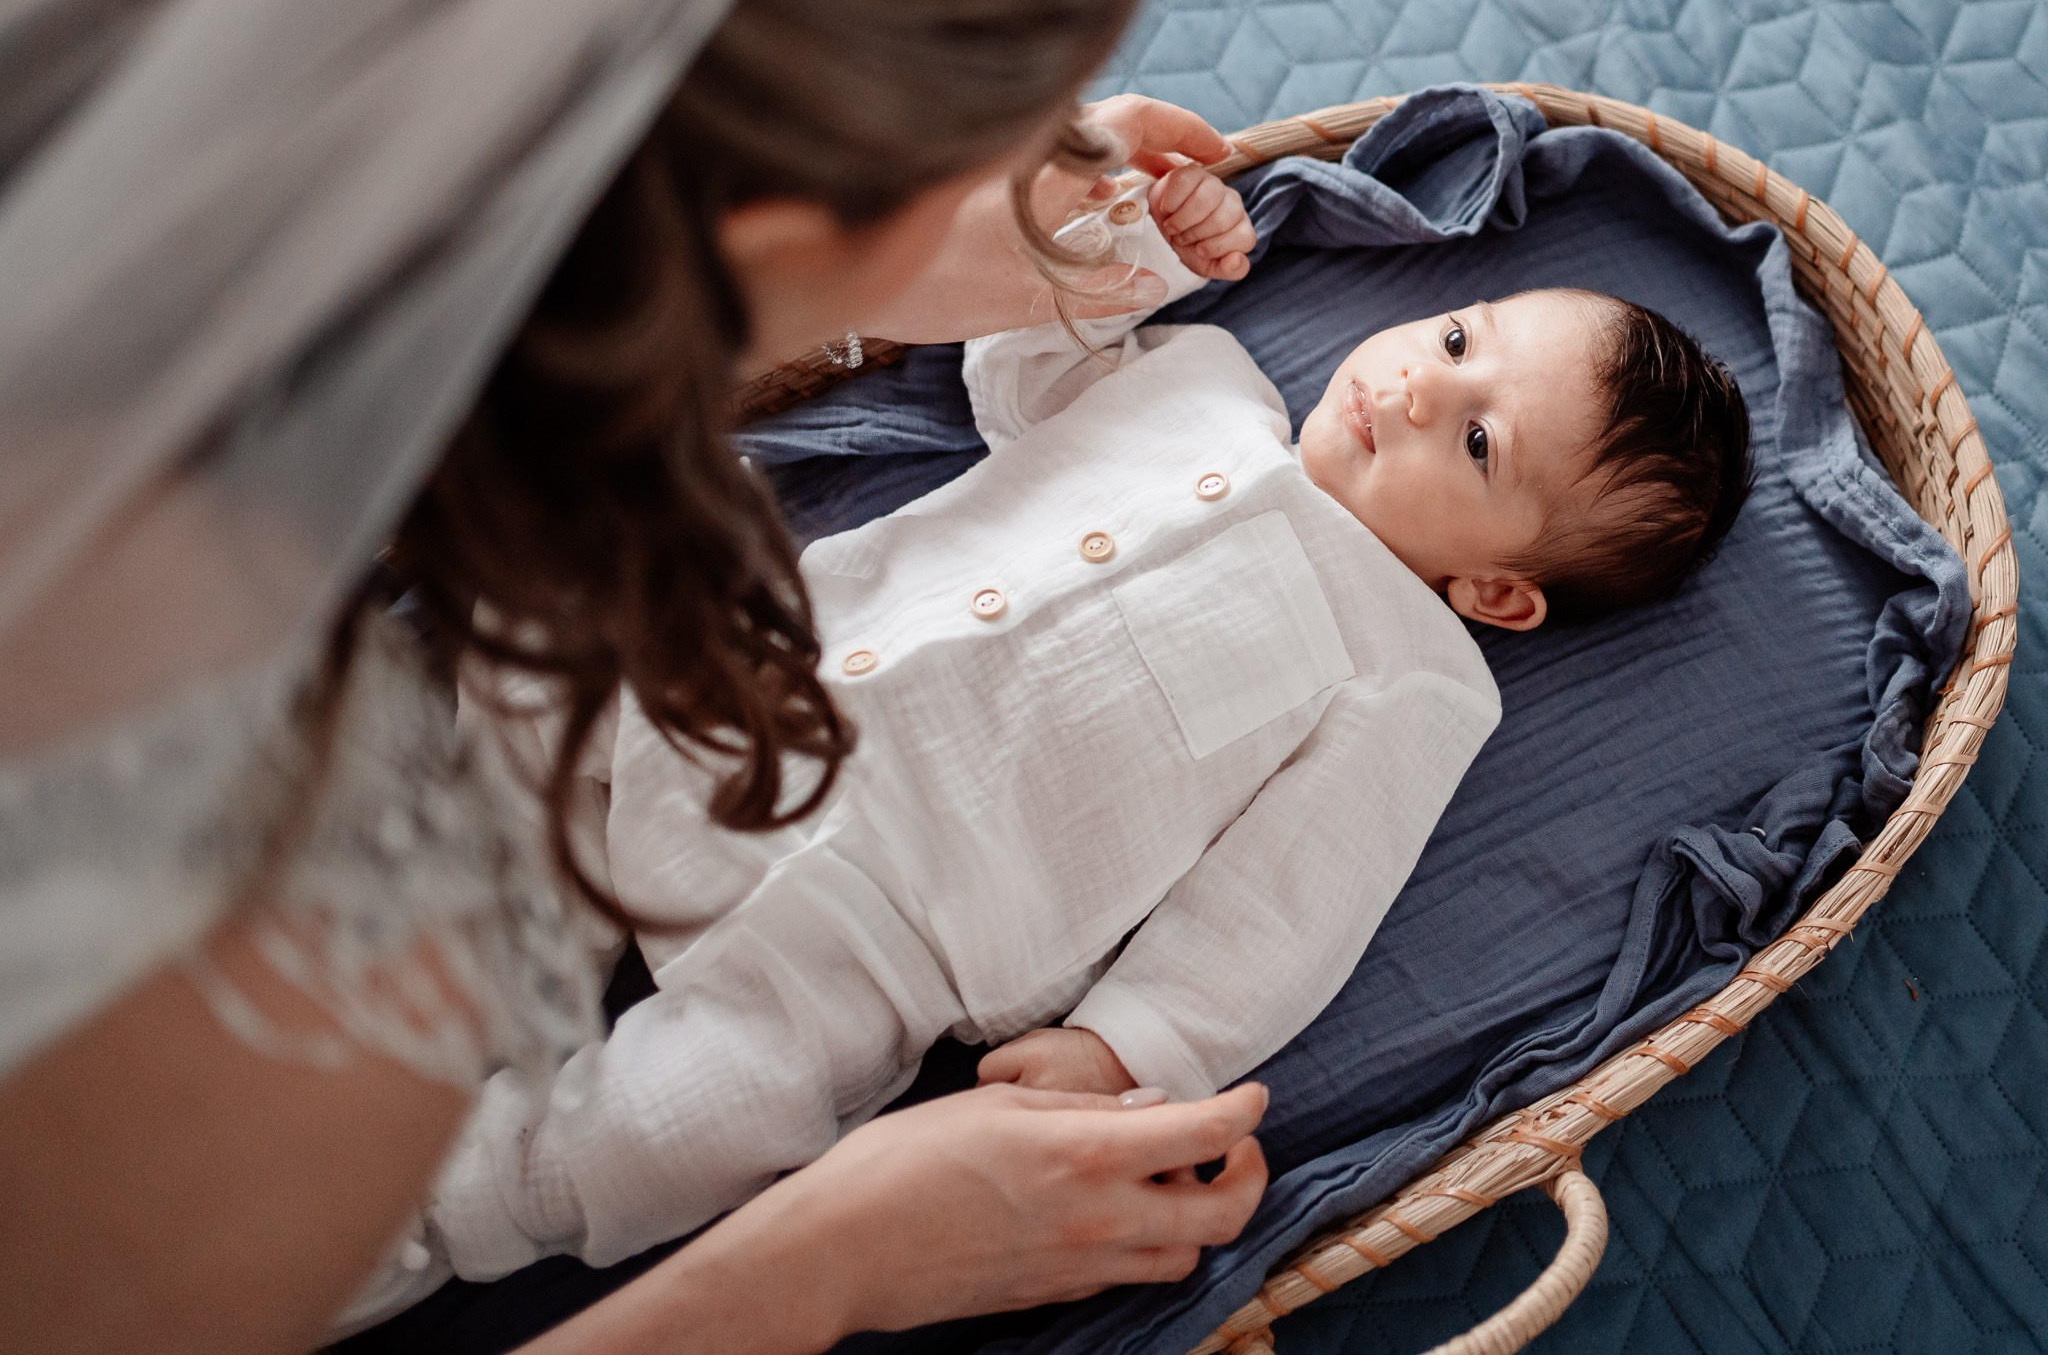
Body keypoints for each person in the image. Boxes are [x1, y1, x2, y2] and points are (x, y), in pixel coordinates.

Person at [0, 0, 1284, 1352]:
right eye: (992, 146)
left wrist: (878, 265)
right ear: (761, 226)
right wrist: (820, 1265)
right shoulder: (289, 1004)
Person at [399, 172, 1752, 1297]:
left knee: (698, 1121)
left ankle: (435, 1209)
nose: (1412, 389)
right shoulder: (1208, 382)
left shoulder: (1412, 679)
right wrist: (1120, 239)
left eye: (1477, 445)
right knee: (567, 583)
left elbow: (1282, 909)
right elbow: (1020, 358)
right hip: (745, 671)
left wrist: (1128, 1048)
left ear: (1500, 591)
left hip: (888, 931)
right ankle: (487, 894)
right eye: (1457, 340)